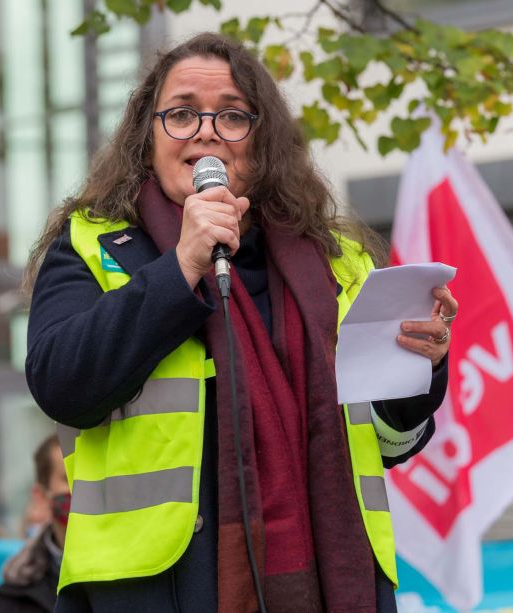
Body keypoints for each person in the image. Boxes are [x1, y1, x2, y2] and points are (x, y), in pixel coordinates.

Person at [24, 32, 456, 613]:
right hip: (154, 590)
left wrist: (421, 369)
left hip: (333, 583)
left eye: (231, 116)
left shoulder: (338, 264)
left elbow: (386, 442)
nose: (205, 131)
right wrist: (181, 268)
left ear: (262, 142)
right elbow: (62, 385)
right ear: (146, 138)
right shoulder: (90, 245)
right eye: (181, 114)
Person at [0, 434, 69, 613]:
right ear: (41, 496)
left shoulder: (138, 574)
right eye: (71, 477)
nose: (86, 487)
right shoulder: (15, 594)